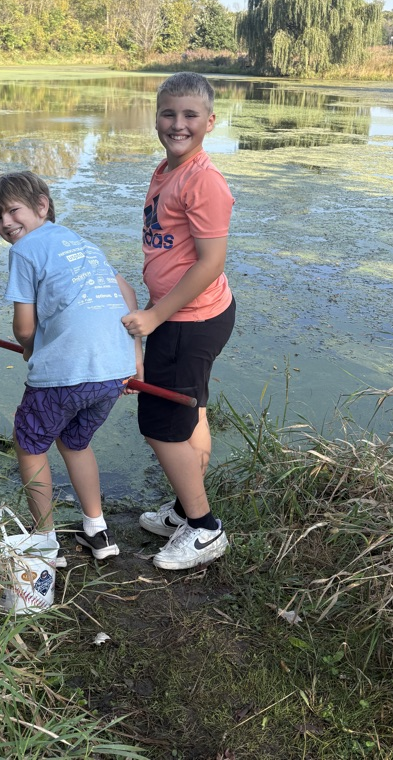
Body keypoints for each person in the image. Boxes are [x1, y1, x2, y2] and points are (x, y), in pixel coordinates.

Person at [0, 170, 143, 562]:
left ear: (42, 205)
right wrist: (135, 357)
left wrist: (29, 348)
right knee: (75, 442)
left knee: (29, 444)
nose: (6, 223)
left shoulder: (23, 251)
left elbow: (23, 327)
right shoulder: (83, 243)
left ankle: (44, 541)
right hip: (112, 371)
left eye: (12, 211)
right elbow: (128, 294)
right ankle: (98, 532)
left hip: (65, 373)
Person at [121, 72, 236, 571]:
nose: (177, 123)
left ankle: (205, 527)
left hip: (187, 319)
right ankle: (185, 511)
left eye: (190, 115)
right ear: (156, 117)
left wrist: (154, 316)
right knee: (191, 413)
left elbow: (210, 262)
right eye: (169, 113)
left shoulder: (203, 180)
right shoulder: (167, 169)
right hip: (188, 315)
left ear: (210, 122)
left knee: (162, 426)